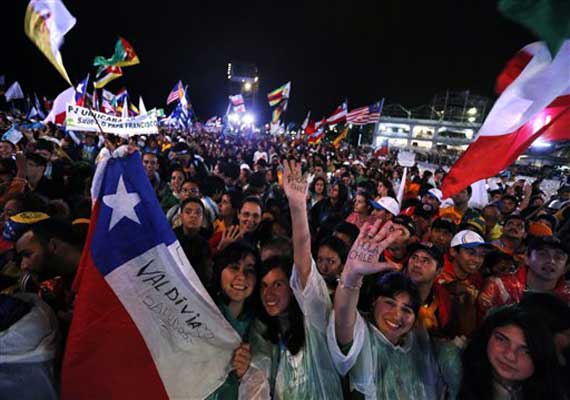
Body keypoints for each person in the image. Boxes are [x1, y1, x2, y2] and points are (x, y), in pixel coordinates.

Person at [327, 220, 460, 399]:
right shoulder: (360, 335)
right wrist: (350, 278)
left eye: (407, 310)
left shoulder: (416, 343)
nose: (397, 315)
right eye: (389, 303)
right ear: (374, 302)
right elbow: (343, 316)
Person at [250, 159, 343, 398]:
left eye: (278, 284)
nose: (269, 294)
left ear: (293, 288)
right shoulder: (264, 331)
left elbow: (303, 258)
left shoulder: (313, 318)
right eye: (264, 286)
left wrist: (297, 205)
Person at [459, 305, 565, 400]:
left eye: (526, 351)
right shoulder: (457, 375)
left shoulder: (553, 389)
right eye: (501, 339)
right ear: (487, 336)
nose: (510, 356)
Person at [206, 241, 260, 400]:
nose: (242, 276)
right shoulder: (200, 312)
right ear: (220, 270)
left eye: (250, 270)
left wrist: (246, 374)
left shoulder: (260, 326)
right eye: (234, 267)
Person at [477, 236, 570, 320]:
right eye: (543, 254)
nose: (551, 261)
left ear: (566, 268)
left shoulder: (567, 299)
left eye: (558, 257)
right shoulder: (498, 286)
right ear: (526, 258)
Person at [436, 230, 488, 337]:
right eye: (471, 253)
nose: (477, 260)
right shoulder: (437, 271)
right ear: (453, 252)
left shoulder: (477, 279)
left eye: (481, 255)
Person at [404, 242, 452, 337]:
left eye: (425, 261)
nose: (417, 264)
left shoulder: (442, 299)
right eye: (414, 257)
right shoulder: (391, 289)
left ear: (439, 271)